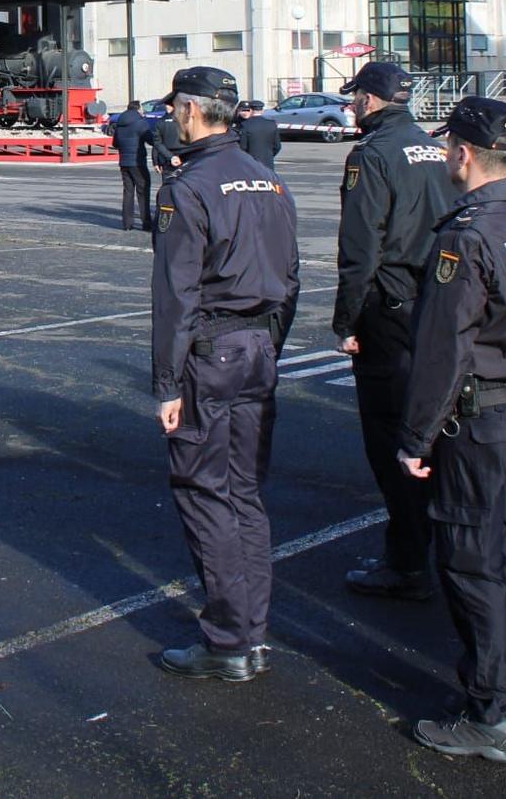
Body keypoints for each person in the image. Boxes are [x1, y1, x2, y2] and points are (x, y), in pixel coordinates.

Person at [395, 98, 506, 763]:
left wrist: (415, 437)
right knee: (505, 562)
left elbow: (444, 348)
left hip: (481, 418)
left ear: (464, 153)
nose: (443, 157)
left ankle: (493, 710)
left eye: (447, 148)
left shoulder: (465, 235)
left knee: (471, 562)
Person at [149, 67, 300, 683]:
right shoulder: (269, 180)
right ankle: (251, 633)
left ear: (190, 110)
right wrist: (269, 345)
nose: (172, 118)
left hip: (211, 352)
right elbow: (291, 277)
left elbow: (176, 295)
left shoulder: (187, 186)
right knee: (243, 493)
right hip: (258, 346)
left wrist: (167, 384)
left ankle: (228, 640)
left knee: (204, 490)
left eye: (175, 109)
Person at [334, 60, 460, 599]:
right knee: (435, 428)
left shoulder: (372, 154)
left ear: (370, 99)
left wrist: (345, 319)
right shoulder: (439, 148)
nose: (353, 105)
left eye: (357, 96)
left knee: (391, 436)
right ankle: (444, 546)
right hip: (443, 301)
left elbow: (361, 247)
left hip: (391, 308)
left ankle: (407, 558)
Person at [113, 99, 155, 231]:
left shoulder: (120, 123)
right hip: (138, 162)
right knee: (143, 192)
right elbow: (152, 140)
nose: (143, 111)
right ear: (137, 109)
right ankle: (146, 223)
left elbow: (115, 143)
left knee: (128, 192)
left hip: (124, 161)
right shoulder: (140, 123)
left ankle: (127, 223)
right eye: (142, 109)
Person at [235, 99, 280, 166]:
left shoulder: (245, 125)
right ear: (262, 110)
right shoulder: (272, 124)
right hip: (268, 163)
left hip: (251, 163)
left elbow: (243, 147)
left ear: (251, 110)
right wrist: (269, 156)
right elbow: (277, 146)